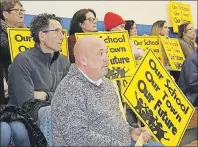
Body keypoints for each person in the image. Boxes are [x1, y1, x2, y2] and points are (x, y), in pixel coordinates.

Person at [51, 36, 164, 146]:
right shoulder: (69, 90)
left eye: (106, 52)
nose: (107, 58)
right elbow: (76, 137)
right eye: (100, 53)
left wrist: (129, 131)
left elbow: (113, 120)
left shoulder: (107, 83)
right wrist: (117, 144)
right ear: (83, 60)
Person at [8, 13, 70, 146]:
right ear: (42, 36)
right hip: (26, 114)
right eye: (57, 31)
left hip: (56, 109)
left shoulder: (63, 61)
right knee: (49, 112)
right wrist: (55, 97)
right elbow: (26, 102)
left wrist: (46, 95)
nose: (62, 36)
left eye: (62, 31)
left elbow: (69, 95)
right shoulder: (23, 60)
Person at [0, 0, 26, 80]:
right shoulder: (1, 31)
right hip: (7, 78)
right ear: (6, 14)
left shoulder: (27, 31)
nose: (21, 13)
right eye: (17, 10)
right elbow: (6, 48)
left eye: (22, 10)